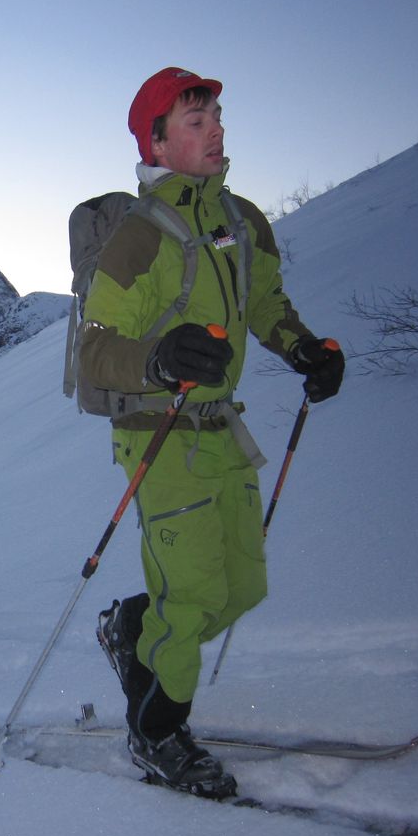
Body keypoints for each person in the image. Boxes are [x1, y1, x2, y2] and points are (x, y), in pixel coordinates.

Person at [80, 67, 344, 798]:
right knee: (194, 594)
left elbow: (266, 303)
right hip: (158, 434)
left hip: (224, 430)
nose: (217, 130)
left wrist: (303, 350)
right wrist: (158, 358)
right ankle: (157, 732)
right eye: (195, 121)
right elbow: (94, 348)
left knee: (242, 586)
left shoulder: (243, 220)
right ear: (157, 144)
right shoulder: (139, 237)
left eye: (217, 116)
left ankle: (130, 628)